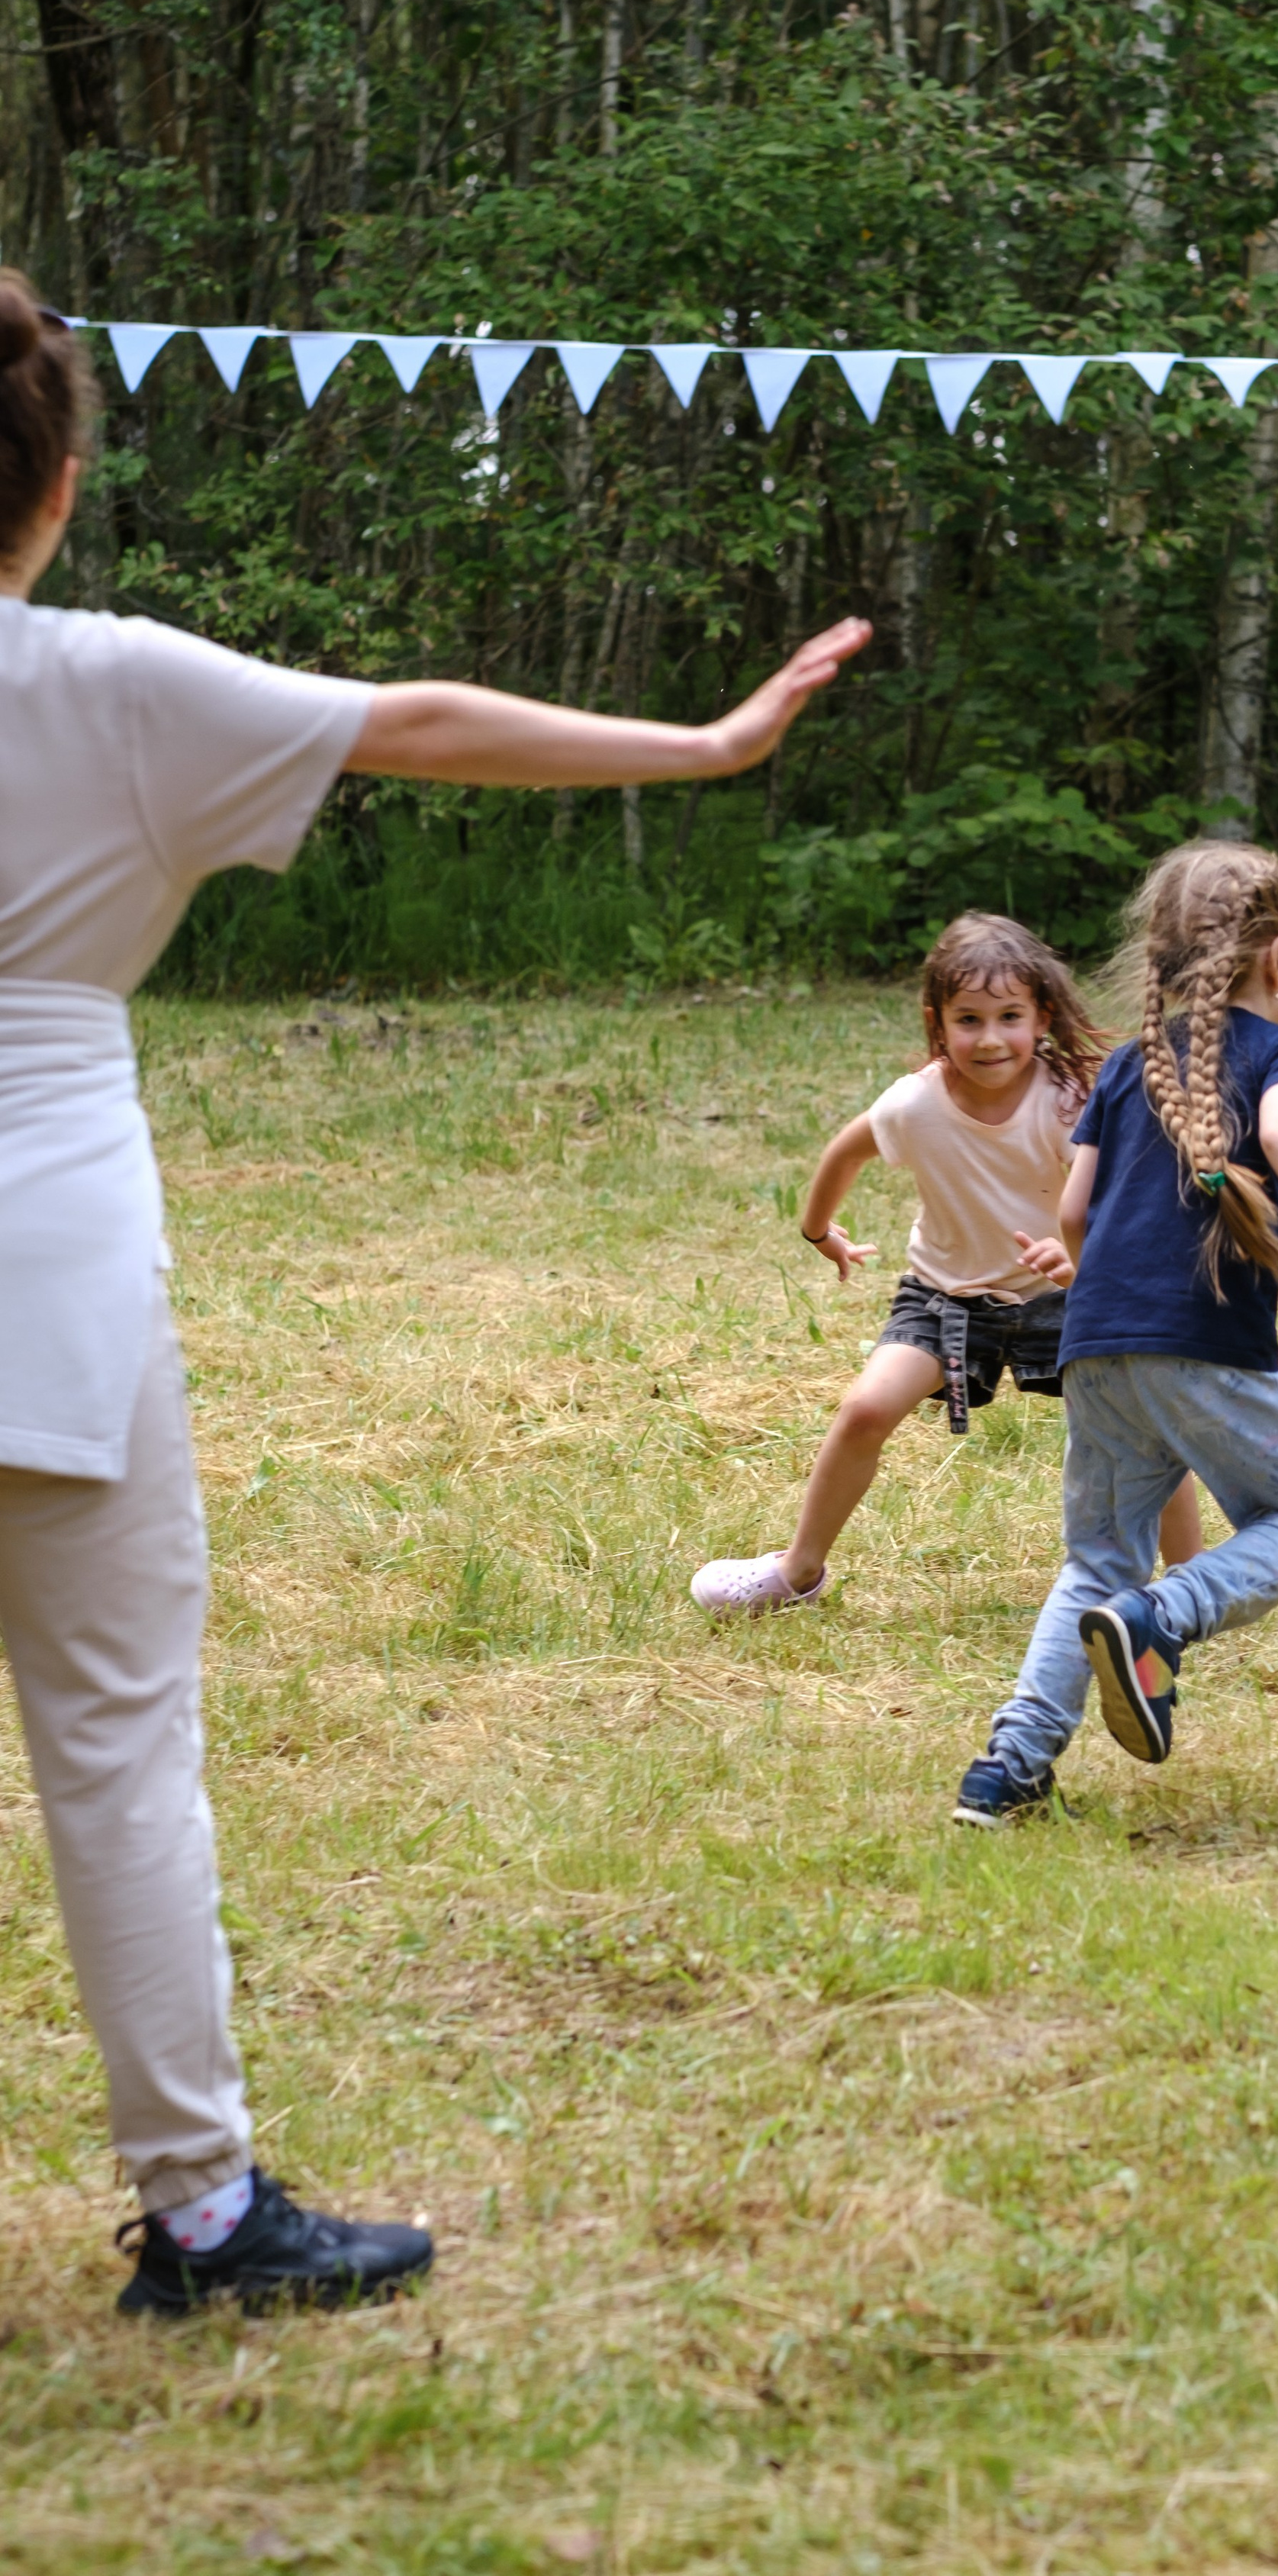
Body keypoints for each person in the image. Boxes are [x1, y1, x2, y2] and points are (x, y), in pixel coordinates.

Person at [0, 269, 870, 2315]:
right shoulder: (104, 685)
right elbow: (412, 722)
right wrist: (717, 739)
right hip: (46, 1270)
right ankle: (203, 2215)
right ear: (52, 490)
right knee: (117, 1751)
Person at [952, 842, 1278, 1827]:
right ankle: (1157, 1621)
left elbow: (1073, 1212)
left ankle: (1010, 1768)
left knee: (1095, 1561)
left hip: (1096, 1344)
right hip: (1203, 1348)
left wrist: (1103, 1283)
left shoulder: (1130, 1066)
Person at [689, 911, 1202, 1613]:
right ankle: (798, 1572)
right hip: (944, 1298)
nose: (990, 1039)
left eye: (1009, 1016)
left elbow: (1121, 1195)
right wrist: (819, 1231)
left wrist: (1081, 1254)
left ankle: (1197, 1587)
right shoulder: (916, 1104)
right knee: (865, 1409)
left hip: (1065, 1297)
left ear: (1041, 1015)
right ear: (938, 1023)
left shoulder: (1065, 1102)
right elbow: (847, 1149)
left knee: (1149, 1427)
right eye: (969, 1020)